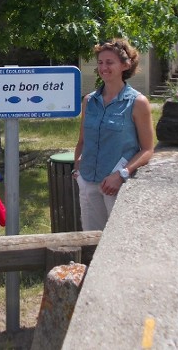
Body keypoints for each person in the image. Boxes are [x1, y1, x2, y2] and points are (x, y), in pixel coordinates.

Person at [73, 38, 154, 231]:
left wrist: (121, 175)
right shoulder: (89, 101)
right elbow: (82, 141)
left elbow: (148, 149)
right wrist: (78, 171)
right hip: (88, 181)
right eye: (100, 62)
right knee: (91, 241)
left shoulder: (137, 102)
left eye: (110, 62)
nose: (103, 67)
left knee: (118, 240)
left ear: (125, 65)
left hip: (116, 185)